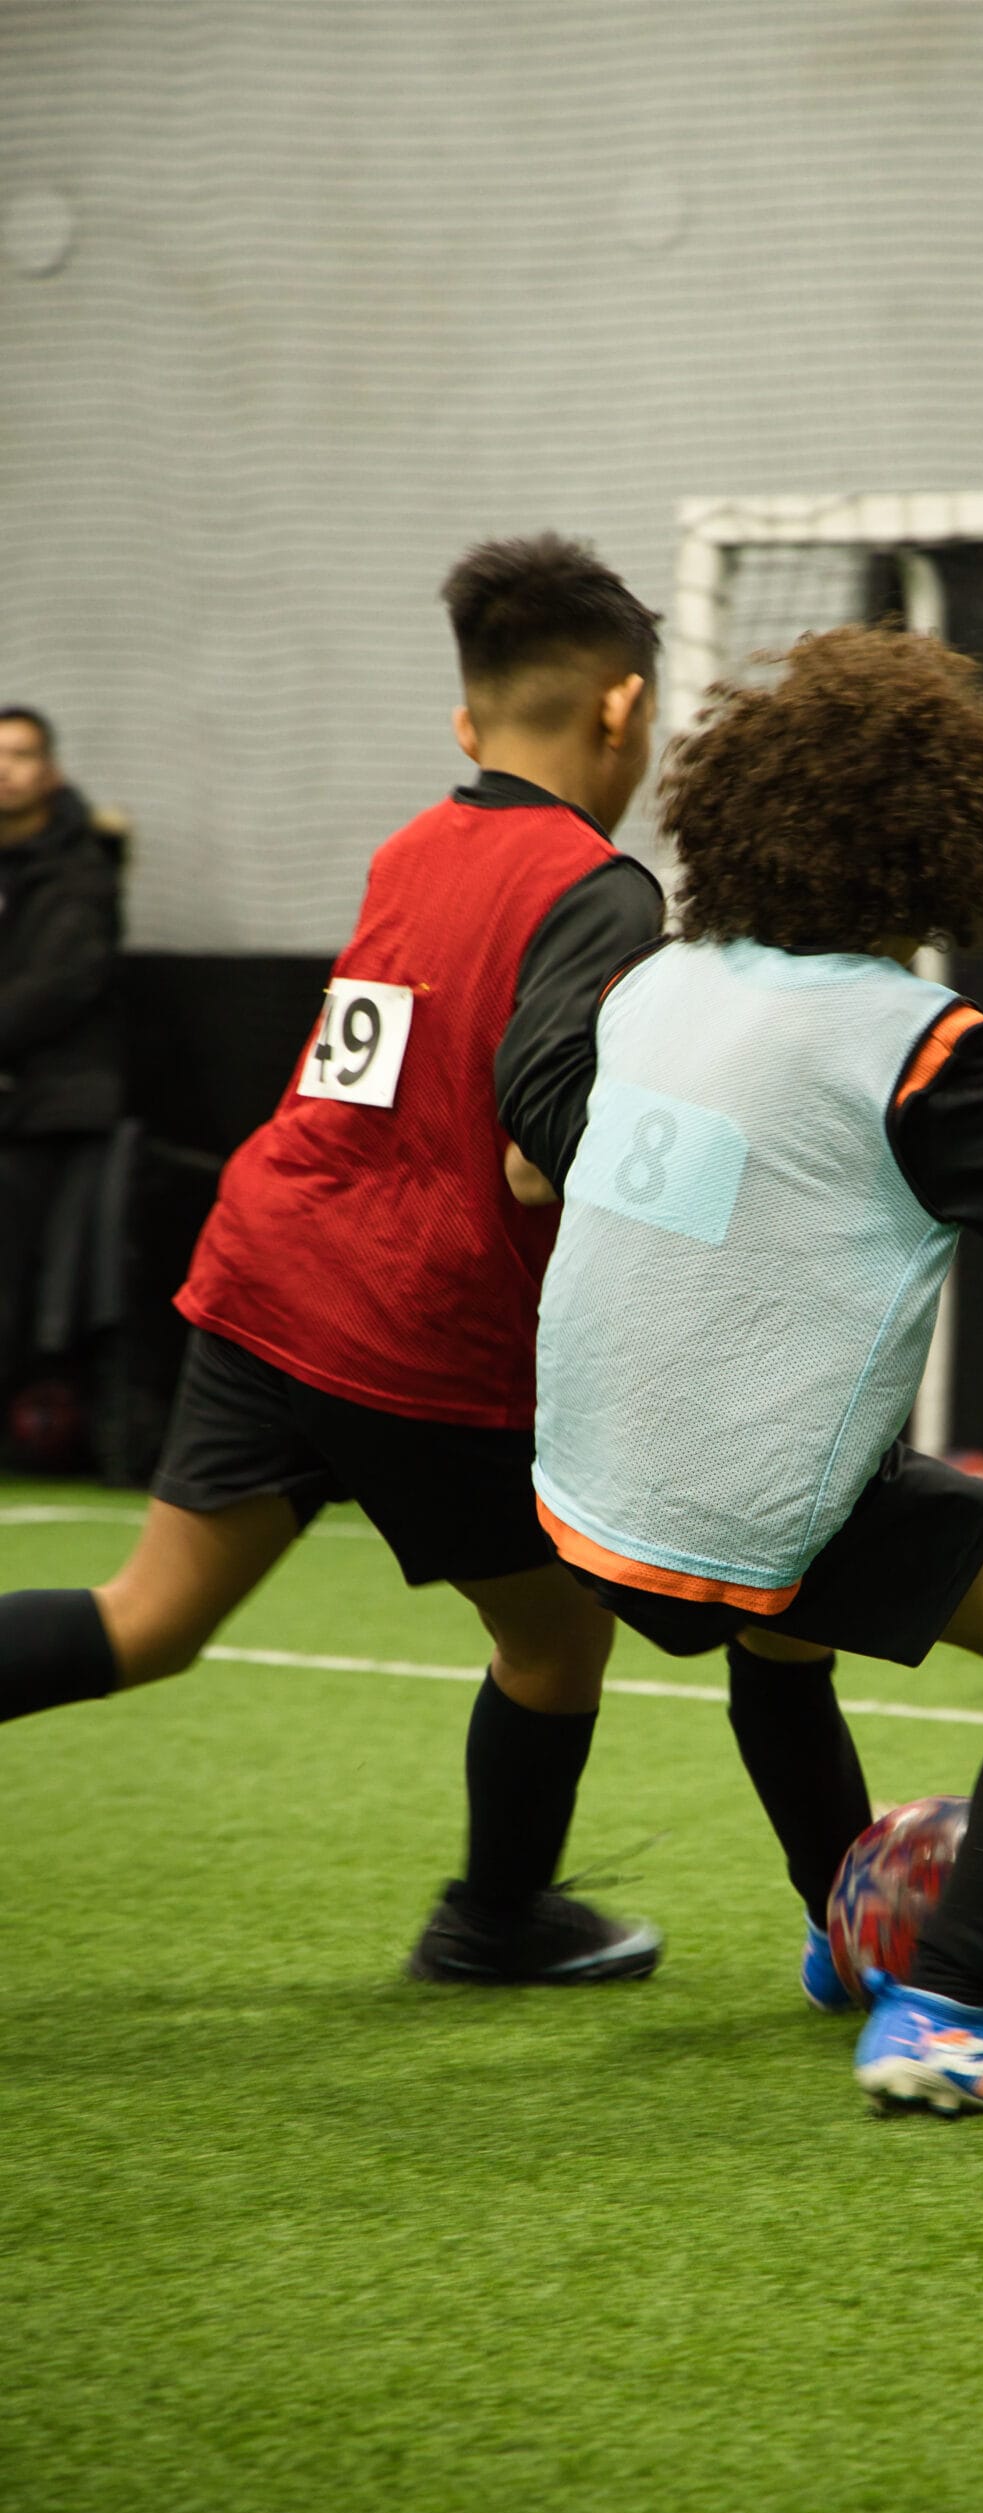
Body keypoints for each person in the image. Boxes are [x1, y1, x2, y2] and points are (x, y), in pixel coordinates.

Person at [501, 623, 983, 2118]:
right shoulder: (915, 1043)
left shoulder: (658, 986)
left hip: (585, 1483)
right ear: (943, 850)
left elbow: (540, 1169)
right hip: (742, 1503)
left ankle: (840, 1926)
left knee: (785, 1639)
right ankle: (938, 2006)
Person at [0, 535, 671, 1981]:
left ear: (462, 722)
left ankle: (499, 1918)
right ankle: (491, 1925)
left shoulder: (407, 847)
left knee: (147, 1620)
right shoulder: (603, 890)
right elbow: (535, 1131)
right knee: (556, 1642)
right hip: (414, 1328)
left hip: (262, 1277)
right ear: (621, 710)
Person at [0, 706, 124, 1416]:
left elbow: (58, 986)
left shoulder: (82, 875)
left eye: (20, 755)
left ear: (51, 774)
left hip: (50, 1114)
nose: (5, 769)